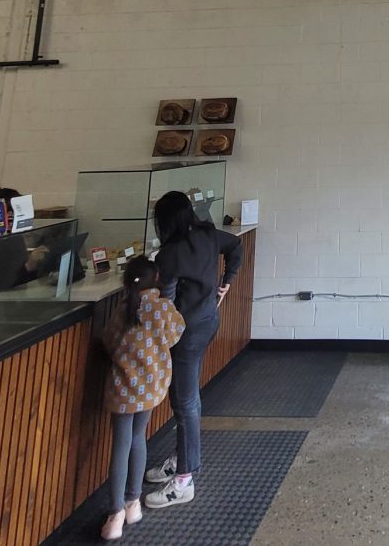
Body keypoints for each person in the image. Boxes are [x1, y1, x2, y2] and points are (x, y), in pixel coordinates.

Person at [142, 191, 243, 508]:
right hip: (208, 322)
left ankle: (184, 480)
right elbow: (236, 246)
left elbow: (167, 303)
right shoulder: (208, 235)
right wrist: (227, 280)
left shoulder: (168, 255)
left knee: (184, 402)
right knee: (188, 399)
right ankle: (181, 457)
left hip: (185, 334)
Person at [100, 256, 184, 541]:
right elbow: (177, 332)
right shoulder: (162, 308)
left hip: (122, 389)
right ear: (157, 278)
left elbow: (109, 341)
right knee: (139, 438)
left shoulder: (123, 309)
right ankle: (133, 502)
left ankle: (115, 515)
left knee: (120, 445)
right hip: (151, 387)